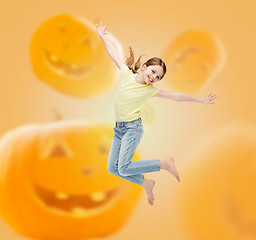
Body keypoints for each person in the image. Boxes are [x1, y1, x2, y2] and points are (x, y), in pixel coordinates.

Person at [94, 20, 217, 206]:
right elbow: (114, 54)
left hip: (132, 129)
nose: (153, 77)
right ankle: (146, 182)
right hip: (119, 129)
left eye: (158, 77)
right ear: (144, 67)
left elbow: (175, 96)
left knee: (124, 167)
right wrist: (103, 36)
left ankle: (164, 163)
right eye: (153, 72)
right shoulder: (127, 74)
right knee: (113, 168)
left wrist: (200, 100)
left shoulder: (150, 90)